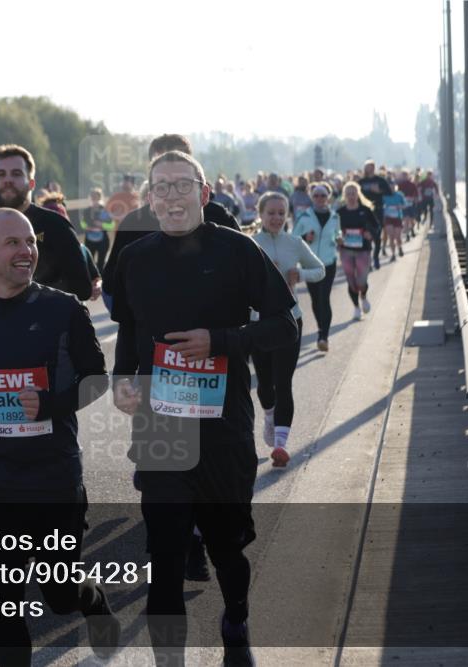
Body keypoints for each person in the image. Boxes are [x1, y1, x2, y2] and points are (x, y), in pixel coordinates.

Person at [111, 151, 297, 666]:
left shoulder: (237, 250)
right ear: (150, 199)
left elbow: (286, 324)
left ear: (204, 192)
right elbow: (130, 332)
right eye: (161, 187)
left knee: (227, 550)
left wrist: (220, 340)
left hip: (223, 431)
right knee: (165, 559)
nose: (171, 196)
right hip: (161, 429)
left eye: (181, 185)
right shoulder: (135, 258)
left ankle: (235, 613)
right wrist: (122, 382)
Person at [0, 208, 119, 665]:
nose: (26, 251)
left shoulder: (63, 309)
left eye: (30, 242)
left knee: (60, 593)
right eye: (13, 243)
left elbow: (97, 378)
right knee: (3, 598)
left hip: (54, 476)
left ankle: (93, 601)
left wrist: (51, 404)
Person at [101, 134, 240, 300]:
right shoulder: (134, 223)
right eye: (160, 161)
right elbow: (112, 283)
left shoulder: (219, 217)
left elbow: (246, 278)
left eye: (175, 159)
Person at [0, 144, 92, 302]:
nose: (7, 180)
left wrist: (29, 300)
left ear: (31, 183)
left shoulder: (56, 225)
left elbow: (82, 288)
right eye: (0, 174)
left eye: (16, 174)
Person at [252, 191, 324, 464]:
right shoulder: (250, 243)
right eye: (271, 213)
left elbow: (320, 269)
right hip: (258, 322)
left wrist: (301, 274)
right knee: (265, 384)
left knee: (284, 382)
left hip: (289, 319)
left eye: (281, 213)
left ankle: (281, 445)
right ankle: (269, 415)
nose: (276, 218)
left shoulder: (294, 243)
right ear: (260, 215)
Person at [292, 182, 340, 352]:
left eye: (323, 195)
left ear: (328, 198)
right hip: (310, 264)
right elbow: (294, 238)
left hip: (328, 263)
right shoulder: (305, 217)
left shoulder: (335, 217)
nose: (320, 198)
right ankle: (321, 327)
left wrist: (339, 238)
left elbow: (337, 233)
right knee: (315, 300)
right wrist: (305, 237)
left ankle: (323, 336)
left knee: (324, 298)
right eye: (317, 196)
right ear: (312, 198)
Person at [337, 182, 378, 319]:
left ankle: (364, 296)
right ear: (344, 195)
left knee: (361, 280)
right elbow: (334, 231)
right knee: (351, 280)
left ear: (358, 194)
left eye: (353, 193)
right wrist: (338, 237)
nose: (351, 196)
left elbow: (376, 226)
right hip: (346, 249)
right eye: (348, 193)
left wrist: (370, 233)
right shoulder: (340, 212)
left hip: (363, 249)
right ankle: (356, 307)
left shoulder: (365, 210)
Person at [357, 160, 392, 270]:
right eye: (368, 166)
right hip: (365, 212)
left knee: (377, 236)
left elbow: (389, 193)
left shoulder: (380, 180)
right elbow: (356, 195)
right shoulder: (361, 182)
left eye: (372, 166)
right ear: (365, 168)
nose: (370, 168)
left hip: (378, 211)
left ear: (374, 168)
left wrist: (379, 191)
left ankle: (376, 257)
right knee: (367, 236)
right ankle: (368, 262)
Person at [80, 187, 112, 273]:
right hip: (90, 240)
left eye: (96, 197)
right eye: (93, 197)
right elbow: (82, 223)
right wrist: (87, 227)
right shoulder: (87, 211)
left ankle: (101, 282)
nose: (94, 199)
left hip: (103, 241)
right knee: (89, 263)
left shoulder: (105, 210)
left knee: (101, 264)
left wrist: (102, 225)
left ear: (100, 197)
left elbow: (111, 225)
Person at [381, 189, 408, 260]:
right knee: (391, 237)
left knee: (398, 237)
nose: (390, 188)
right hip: (388, 218)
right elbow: (380, 205)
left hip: (397, 217)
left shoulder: (399, 195)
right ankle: (393, 255)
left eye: (392, 186)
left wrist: (400, 206)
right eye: (389, 186)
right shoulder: (384, 196)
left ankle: (400, 248)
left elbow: (405, 204)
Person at [395, 170, 419, 242]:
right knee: (406, 220)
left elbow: (416, 194)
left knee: (412, 220)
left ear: (408, 176)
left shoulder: (412, 184)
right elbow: (398, 194)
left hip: (411, 204)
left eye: (405, 175)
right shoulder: (400, 185)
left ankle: (412, 230)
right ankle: (407, 235)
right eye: (403, 176)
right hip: (404, 205)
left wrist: (414, 200)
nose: (404, 177)